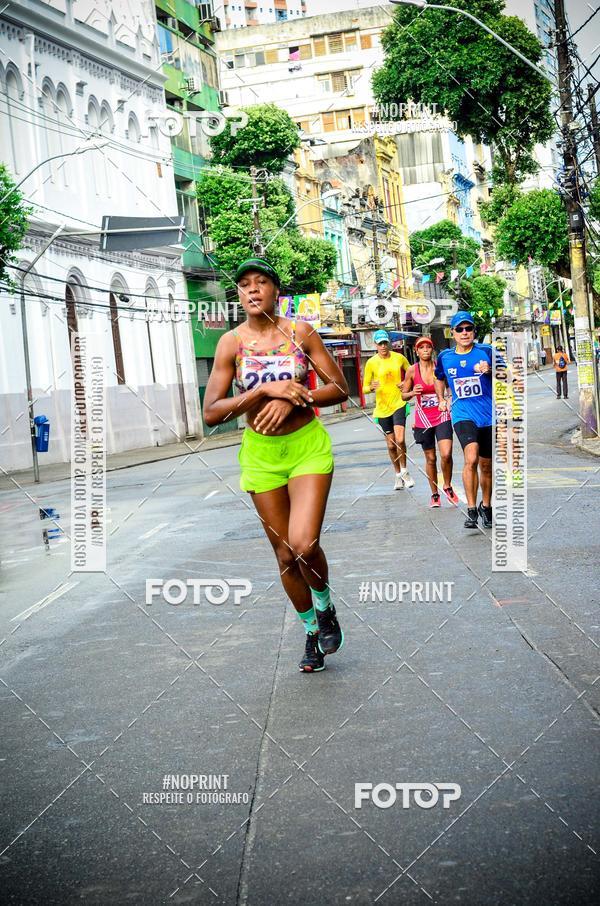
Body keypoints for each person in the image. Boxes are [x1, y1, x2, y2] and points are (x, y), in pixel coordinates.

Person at [203, 258, 349, 673]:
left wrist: (292, 397)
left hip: (306, 448)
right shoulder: (231, 343)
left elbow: (339, 387)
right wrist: (265, 389)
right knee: (285, 555)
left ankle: (325, 607)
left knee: (304, 544)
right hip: (261, 455)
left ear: (275, 291)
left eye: (261, 282)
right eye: (244, 284)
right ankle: (311, 634)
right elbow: (212, 412)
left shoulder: (301, 333)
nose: (252, 290)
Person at [434, 311, 498, 530]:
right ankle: (471, 509)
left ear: (473, 331)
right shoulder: (445, 356)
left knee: (486, 466)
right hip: (462, 414)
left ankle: (486, 507)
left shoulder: (487, 351)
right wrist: (441, 398)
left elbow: (509, 375)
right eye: (459, 329)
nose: (464, 333)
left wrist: (490, 370)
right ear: (452, 333)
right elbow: (438, 377)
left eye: (468, 328)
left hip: (488, 416)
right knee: (470, 459)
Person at [402, 336, 458, 508]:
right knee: (431, 458)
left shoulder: (439, 368)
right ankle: (434, 494)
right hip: (423, 418)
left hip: (441, 414)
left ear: (432, 350)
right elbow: (403, 395)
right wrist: (412, 393)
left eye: (428, 347)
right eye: (421, 347)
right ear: (416, 351)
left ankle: (447, 486)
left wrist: (447, 400)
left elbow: (451, 387)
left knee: (446, 453)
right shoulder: (412, 370)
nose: (425, 350)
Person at [362, 329, 414, 490]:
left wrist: (406, 384)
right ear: (375, 345)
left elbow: (412, 373)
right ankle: (398, 474)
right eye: (380, 343)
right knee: (391, 445)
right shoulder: (371, 362)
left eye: (385, 342)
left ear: (389, 343)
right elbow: (364, 388)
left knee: (400, 440)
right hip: (383, 409)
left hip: (399, 403)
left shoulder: (399, 358)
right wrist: (370, 387)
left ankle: (405, 471)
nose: (383, 346)